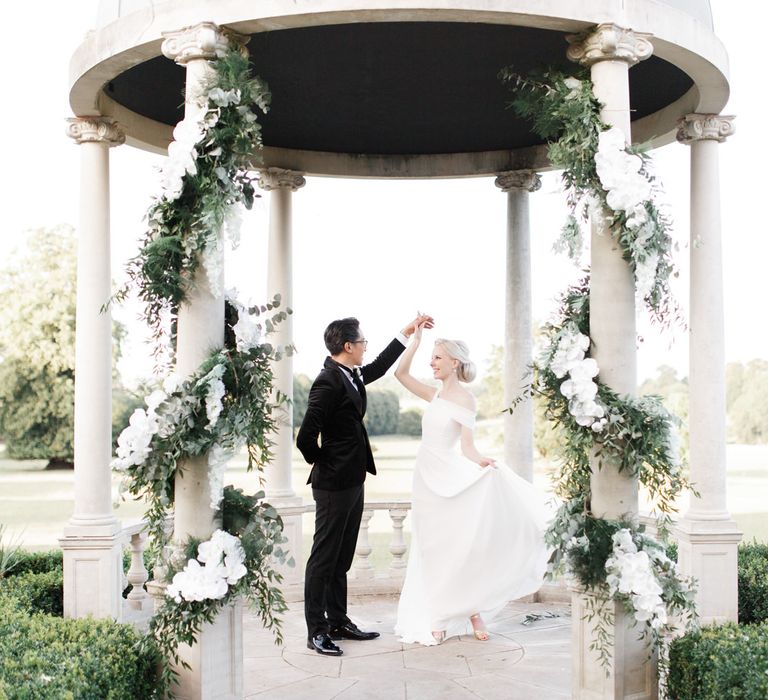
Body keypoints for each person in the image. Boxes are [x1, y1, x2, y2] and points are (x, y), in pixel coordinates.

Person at [393, 323, 550, 645]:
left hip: (449, 477)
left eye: (437, 358)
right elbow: (401, 375)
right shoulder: (433, 394)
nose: (432, 363)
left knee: (458, 546)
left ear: (455, 363)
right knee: (430, 547)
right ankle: (438, 613)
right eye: (432, 358)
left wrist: (483, 462)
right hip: (425, 477)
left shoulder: (466, 400)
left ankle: (472, 609)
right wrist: (416, 340)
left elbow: (467, 447)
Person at [297, 313, 434, 656]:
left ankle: (338, 621)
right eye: (362, 343)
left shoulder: (351, 374)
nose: (364, 348)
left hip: (353, 481)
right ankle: (317, 631)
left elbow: (378, 368)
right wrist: (327, 462)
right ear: (347, 346)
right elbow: (305, 438)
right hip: (332, 484)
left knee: (342, 557)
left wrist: (404, 334)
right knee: (323, 559)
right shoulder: (327, 381)